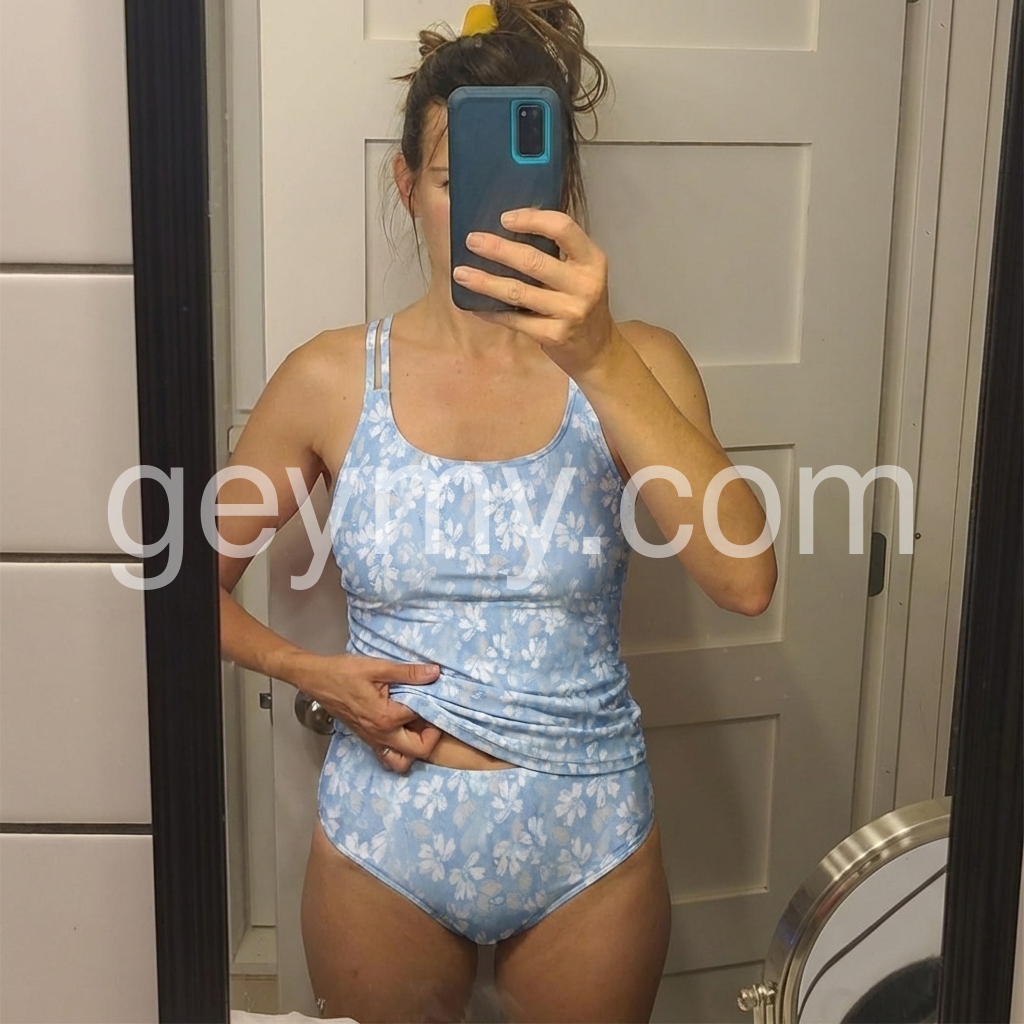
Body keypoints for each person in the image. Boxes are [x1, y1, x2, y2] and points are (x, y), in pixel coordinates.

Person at [217, 1, 777, 1020]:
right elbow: (177, 585)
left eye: (528, 182)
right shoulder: (330, 378)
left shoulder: (639, 363)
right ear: (408, 186)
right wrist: (305, 669)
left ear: (563, 188)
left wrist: (598, 357)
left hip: (589, 835)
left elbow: (745, 579)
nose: (492, 213)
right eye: (452, 179)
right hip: (384, 839)